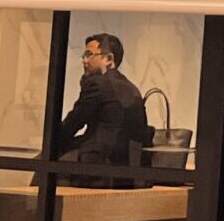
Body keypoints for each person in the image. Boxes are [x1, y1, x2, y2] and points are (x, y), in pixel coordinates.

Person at [56, 33, 153, 181]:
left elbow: (74, 122)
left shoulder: (97, 84)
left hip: (97, 167)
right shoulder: (133, 89)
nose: (84, 60)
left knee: (45, 164)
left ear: (108, 59)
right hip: (127, 171)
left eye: (89, 55)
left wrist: (51, 141)